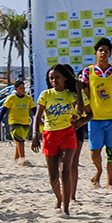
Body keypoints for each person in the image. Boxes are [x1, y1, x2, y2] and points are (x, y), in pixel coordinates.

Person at [35, 64, 83, 215]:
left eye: (57, 77)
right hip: (49, 135)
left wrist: (80, 91)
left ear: (64, 79)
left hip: (67, 134)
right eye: (51, 78)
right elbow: (37, 116)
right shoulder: (46, 95)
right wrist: (35, 135)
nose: (54, 80)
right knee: (53, 176)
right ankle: (59, 198)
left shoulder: (70, 95)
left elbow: (80, 111)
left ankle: (66, 208)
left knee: (65, 171)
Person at [81, 38, 112, 189]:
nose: (103, 53)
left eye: (106, 51)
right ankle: (99, 171)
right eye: (100, 50)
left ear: (110, 54)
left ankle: (109, 182)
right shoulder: (87, 72)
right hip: (95, 118)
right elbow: (84, 94)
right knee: (95, 151)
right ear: (96, 53)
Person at [4, 79, 35, 167]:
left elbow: (34, 110)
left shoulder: (28, 99)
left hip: (25, 122)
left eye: (23, 88)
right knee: (20, 141)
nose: (23, 90)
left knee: (20, 141)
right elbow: (4, 110)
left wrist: (39, 119)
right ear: (16, 89)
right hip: (14, 122)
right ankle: (23, 159)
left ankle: (16, 160)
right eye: (21, 88)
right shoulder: (11, 98)